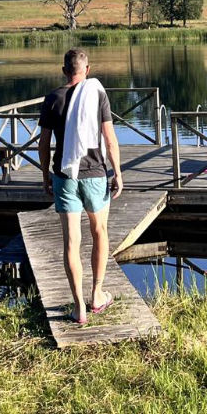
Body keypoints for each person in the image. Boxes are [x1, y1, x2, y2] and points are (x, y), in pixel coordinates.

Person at [38, 48, 123, 324]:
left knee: (71, 242)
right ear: (87, 70)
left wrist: (44, 174)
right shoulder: (97, 93)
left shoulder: (53, 98)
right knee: (99, 232)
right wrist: (118, 172)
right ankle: (97, 295)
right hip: (95, 174)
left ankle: (79, 308)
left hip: (64, 175)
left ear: (64, 71)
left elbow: (44, 143)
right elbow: (109, 139)